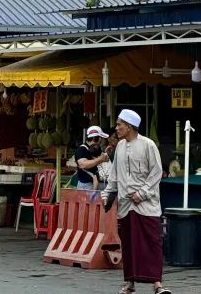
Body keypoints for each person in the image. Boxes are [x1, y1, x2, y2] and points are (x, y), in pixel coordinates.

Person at [103, 110, 169, 294]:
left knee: (151, 243)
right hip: (126, 205)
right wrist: (107, 194)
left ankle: (157, 284)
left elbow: (156, 172)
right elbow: (114, 175)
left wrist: (142, 193)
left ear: (129, 126)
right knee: (129, 244)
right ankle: (130, 283)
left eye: (119, 124)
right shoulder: (119, 147)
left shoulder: (148, 145)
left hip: (146, 205)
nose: (116, 128)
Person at [74, 125, 110, 197]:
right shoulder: (82, 149)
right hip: (86, 186)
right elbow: (83, 164)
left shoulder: (95, 148)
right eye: (100, 138)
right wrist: (100, 159)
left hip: (95, 184)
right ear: (94, 138)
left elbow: (104, 158)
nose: (101, 140)